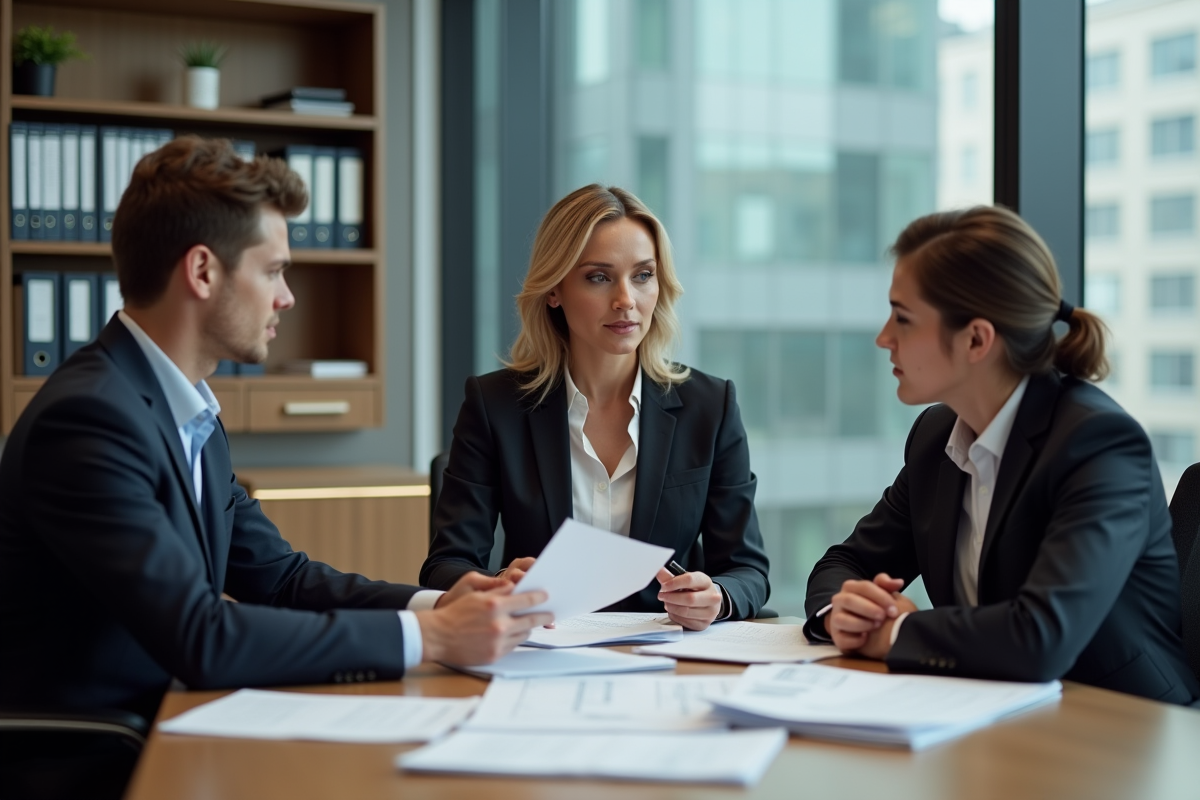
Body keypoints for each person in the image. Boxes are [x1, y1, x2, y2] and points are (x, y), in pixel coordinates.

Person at [0, 137, 553, 793]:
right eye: (273, 271)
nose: (287, 298)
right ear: (202, 272)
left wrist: (440, 601)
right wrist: (429, 637)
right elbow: (203, 638)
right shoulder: (92, 419)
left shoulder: (183, 408)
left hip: (173, 725)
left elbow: (279, 577)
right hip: (97, 762)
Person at [803, 205, 1198, 704]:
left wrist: (900, 633)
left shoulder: (1099, 444)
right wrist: (842, 611)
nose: (884, 338)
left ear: (975, 339)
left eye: (902, 318)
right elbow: (845, 561)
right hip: (992, 713)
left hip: (1124, 731)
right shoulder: (936, 436)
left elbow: (1042, 637)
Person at [421, 185, 769, 629]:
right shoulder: (494, 407)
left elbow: (748, 571)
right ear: (554, 290)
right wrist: (498, 583)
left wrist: (717, 597)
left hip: (664, 657)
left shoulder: (711, 406)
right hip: (537, 653)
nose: (626, 299)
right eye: (599, 277)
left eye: (643, 275)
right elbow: (445, 566)